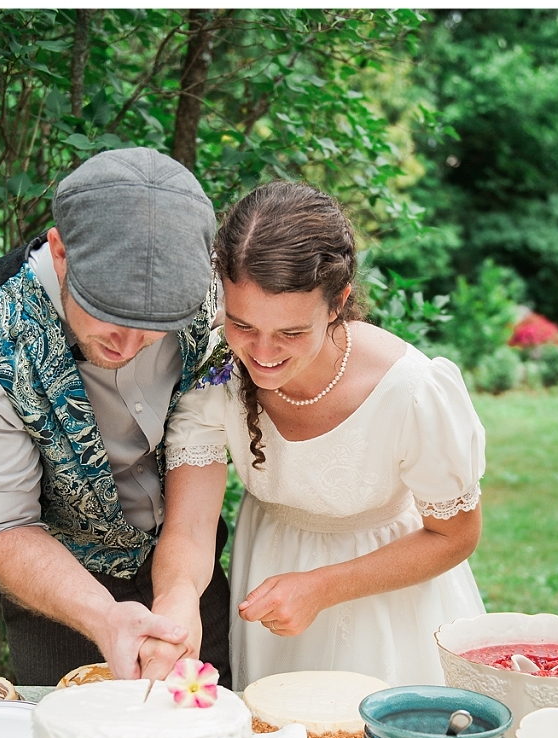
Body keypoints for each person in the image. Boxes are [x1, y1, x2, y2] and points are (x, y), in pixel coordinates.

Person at [144, 181, 485, 688]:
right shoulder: (216, 369)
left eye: (291, 332)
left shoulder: (411, 391)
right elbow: (191, 530)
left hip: (391, 598)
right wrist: (176, 599)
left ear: (337, 302)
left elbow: (456, 535)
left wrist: (323, 588)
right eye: (242, 325)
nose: (261, 352)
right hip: (270, 573)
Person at [0, 147, 231, 686]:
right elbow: (5, 524)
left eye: (155, 325)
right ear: (61, 250)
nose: (130, 344)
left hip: (192, 559)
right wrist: (105, 616)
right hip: (59, 589)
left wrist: (180, 592)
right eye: (108, 313)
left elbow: (199, 449)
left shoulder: (208, 295)